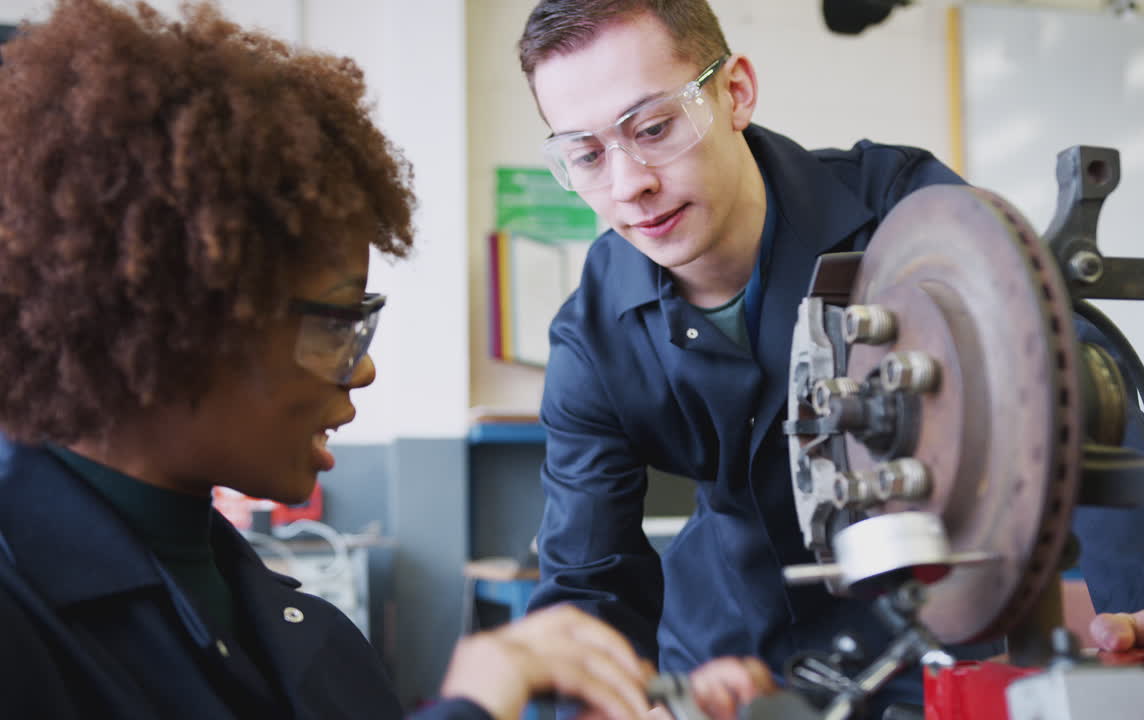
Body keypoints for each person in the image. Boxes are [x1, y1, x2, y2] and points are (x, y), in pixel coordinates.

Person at [0, 2, 773, 719]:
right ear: (180, 327)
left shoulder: (307, 635)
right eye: (341, 321)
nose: (362, 369)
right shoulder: (24, 626)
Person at [517, 0, 1144, 714]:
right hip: (729, 659)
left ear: (736, 93)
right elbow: (590, 577)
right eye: (585, 154)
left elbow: (1055, 374)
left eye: (653, 128)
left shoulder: (898, 208)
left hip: (932, 643)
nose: (629, 186)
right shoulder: (592, 336)